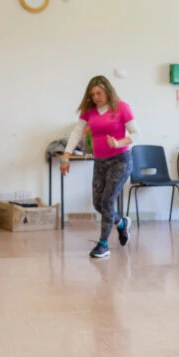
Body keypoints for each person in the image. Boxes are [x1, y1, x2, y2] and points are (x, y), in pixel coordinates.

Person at [60, 75, 139, 259]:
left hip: (121, 160)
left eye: (99, 93)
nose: (96, 97)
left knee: (107, 201)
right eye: (92, 94)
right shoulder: (90, 111)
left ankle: (103, 245)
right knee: (98, 203)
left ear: (108, 91)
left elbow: (136, 132)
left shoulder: (121, 107)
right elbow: (77, 131)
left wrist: (119, 143)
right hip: (100, 161)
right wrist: (66, 155)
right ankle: (121, 223)